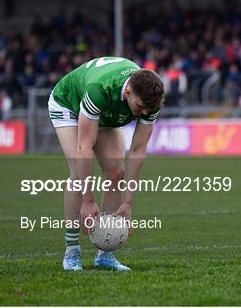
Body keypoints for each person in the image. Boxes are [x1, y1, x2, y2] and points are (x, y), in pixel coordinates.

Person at [48, 56, 164, 271]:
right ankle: (72, 252)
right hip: (69, 104)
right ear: (128, 92)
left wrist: (128, 204)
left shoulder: (150, 100)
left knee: (116, 173)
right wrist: (88, 200)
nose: (144, 113)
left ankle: (106, 254)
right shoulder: (99, 89)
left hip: (105, 111)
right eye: (140, 107)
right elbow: (84, 147)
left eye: (148, 109)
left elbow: (138, 150)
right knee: (77, 175)